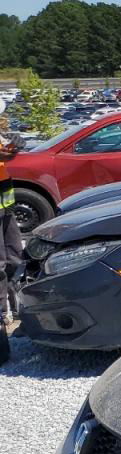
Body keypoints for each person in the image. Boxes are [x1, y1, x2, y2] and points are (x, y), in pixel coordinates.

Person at [0, 131, 21, 330]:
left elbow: (6, 155)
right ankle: (2, 315)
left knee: (15, 258)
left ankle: (17, 310)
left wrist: (15, 147)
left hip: (5, 208)